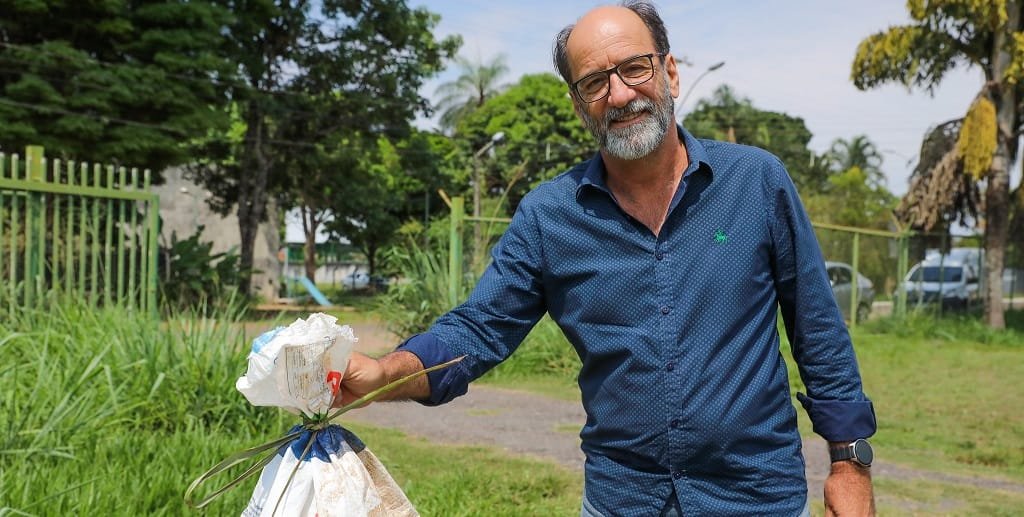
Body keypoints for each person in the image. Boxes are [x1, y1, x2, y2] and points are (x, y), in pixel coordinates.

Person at [339, 1, 876, 515]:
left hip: (756, 495)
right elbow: (477, 332)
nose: (618, 95)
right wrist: (383, 374)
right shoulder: (550, 216)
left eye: (634, 68)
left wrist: (850, 464)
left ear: (669, 71)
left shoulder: (755, 182)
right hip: (623, 500)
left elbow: (817, 328)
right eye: (594, 82)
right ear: (578, 104)